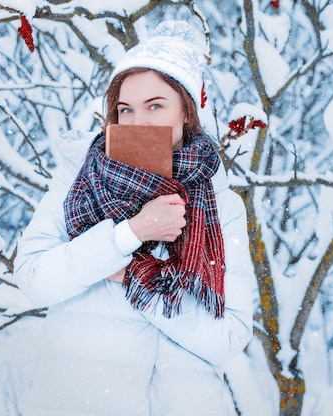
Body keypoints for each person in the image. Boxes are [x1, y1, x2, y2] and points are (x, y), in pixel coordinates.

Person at [13, 19, 255, 416]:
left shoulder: (220, 204)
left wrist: (133, 278)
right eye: (126, 109)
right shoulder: (79, 179)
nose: (138, 122)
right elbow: (35, 279)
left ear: (187, 112)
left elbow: (229, 337)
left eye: (155, 106)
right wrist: (129, 234)